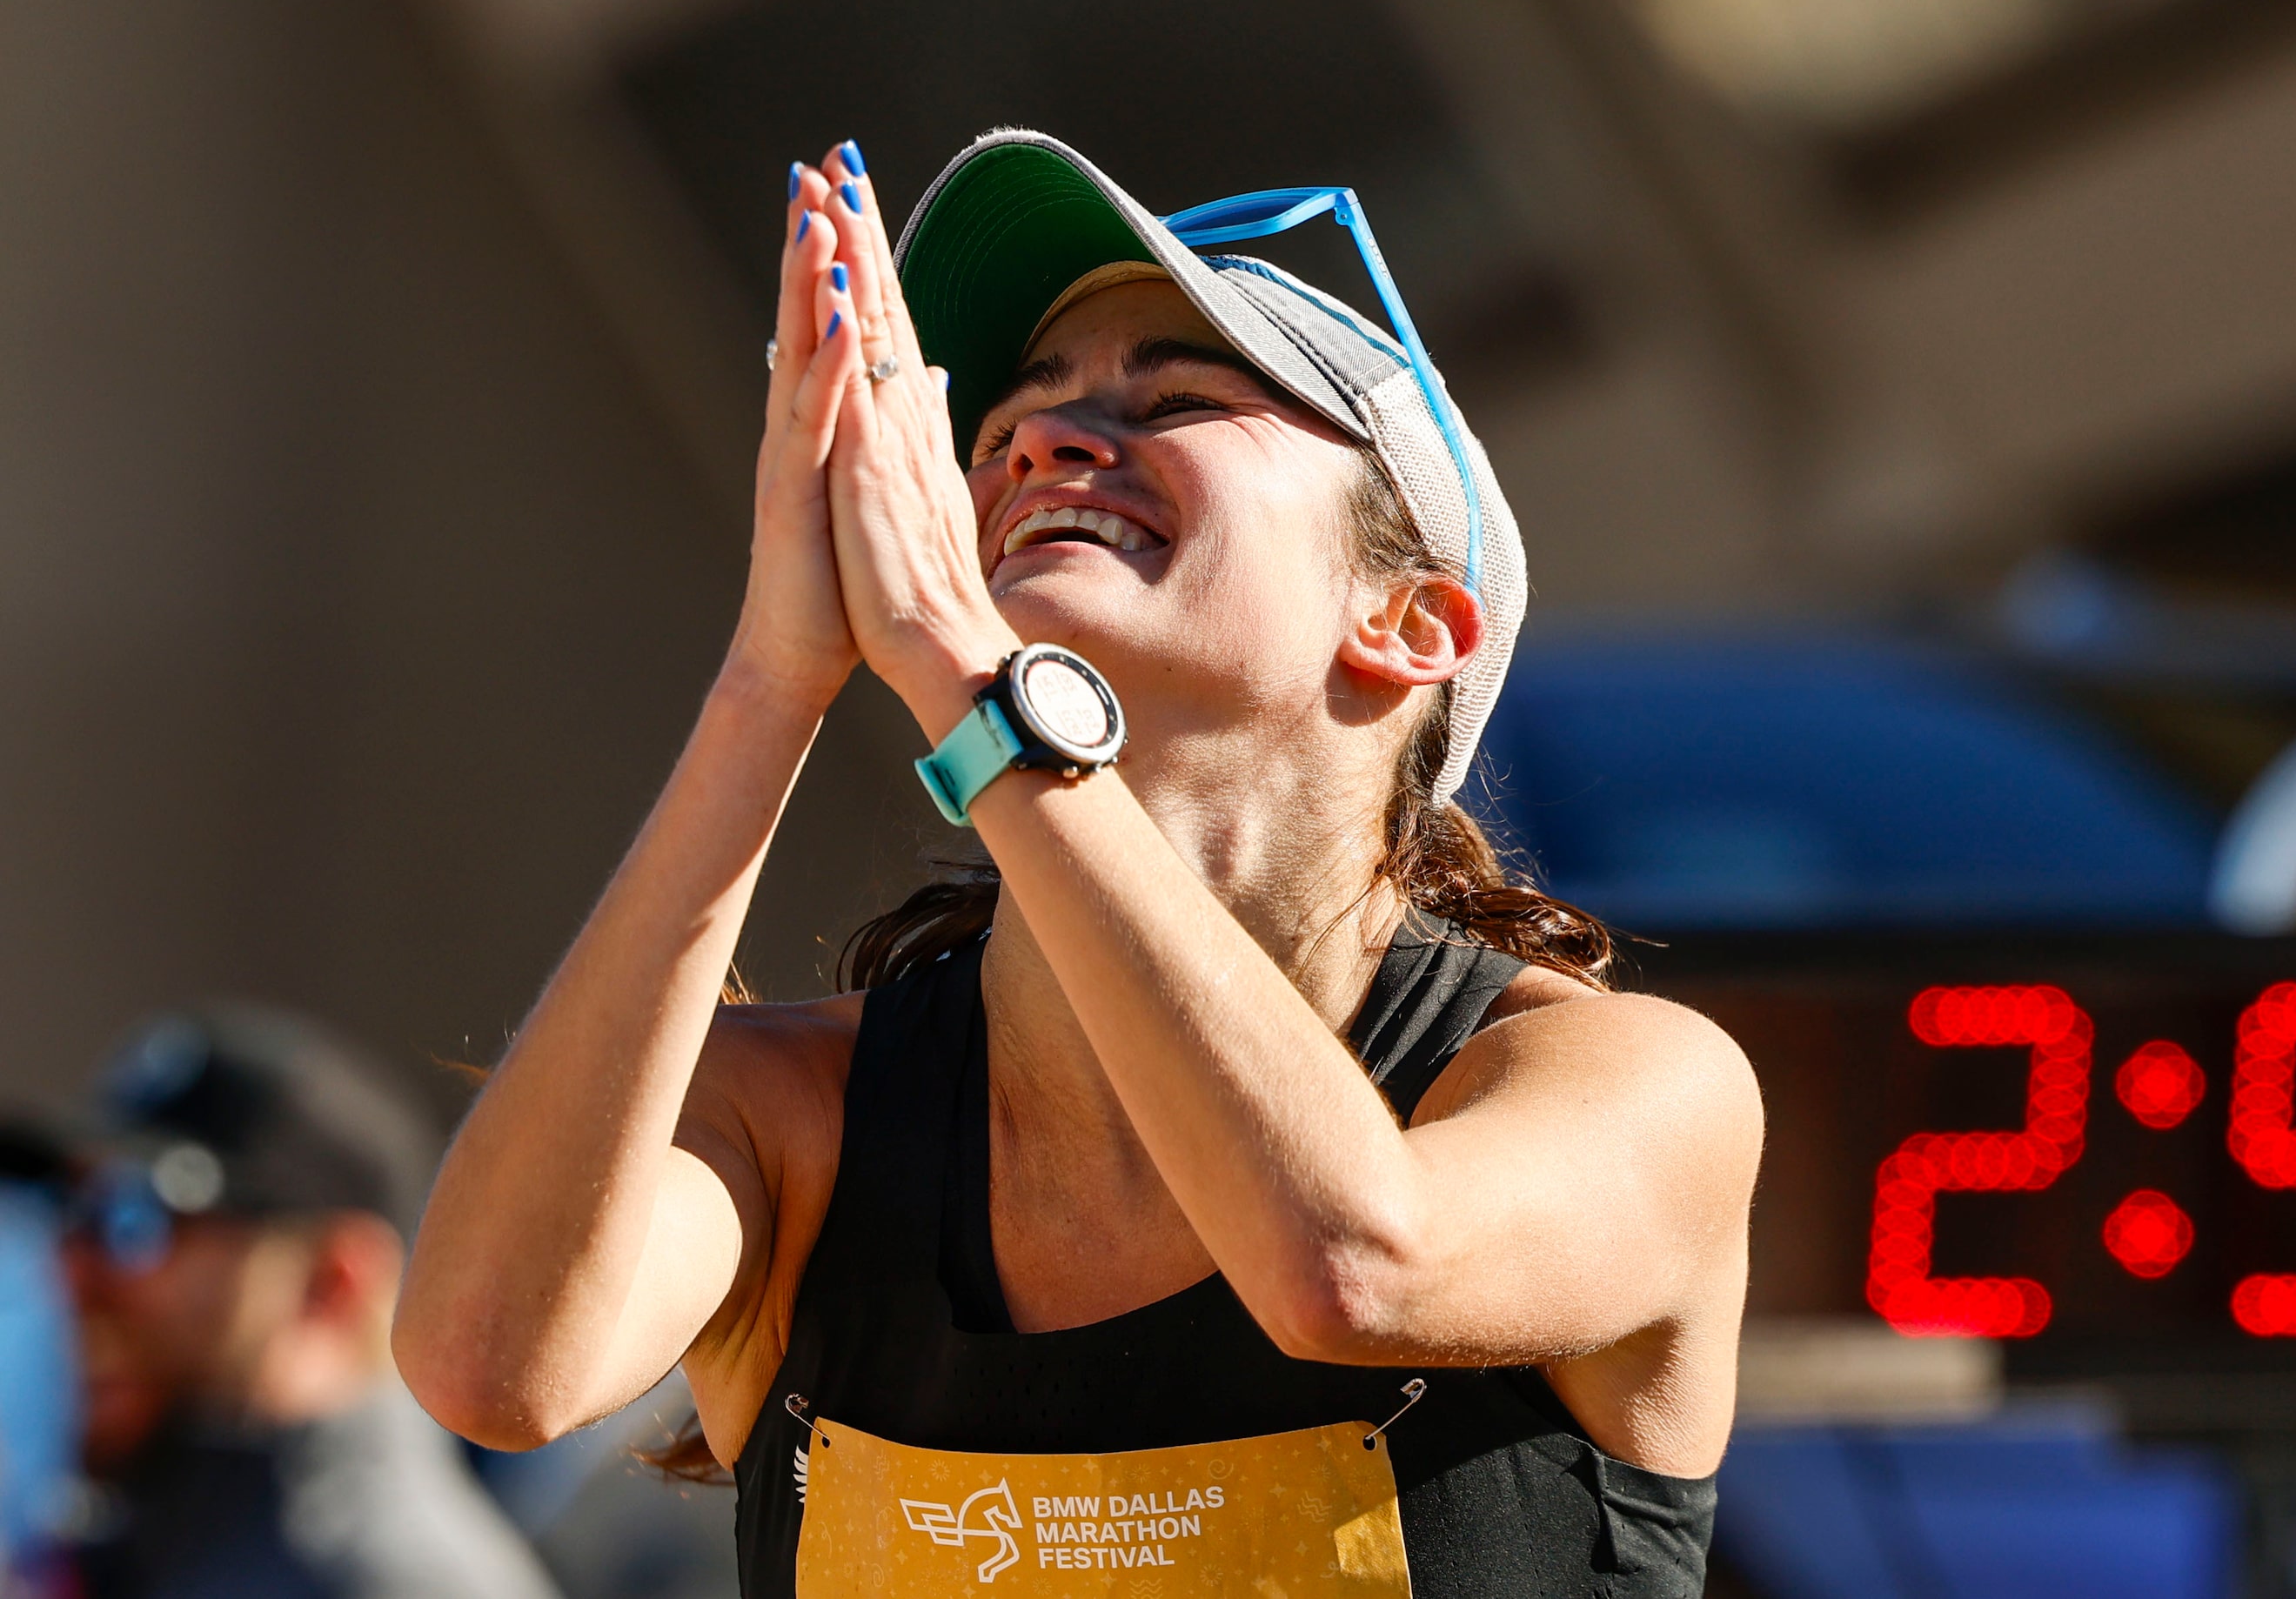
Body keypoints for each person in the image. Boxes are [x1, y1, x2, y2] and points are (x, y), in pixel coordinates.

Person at [397, 131, 1763, 1597]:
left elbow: (1350, 1264)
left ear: (1410, 624)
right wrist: (773, 674)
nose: (1040, 442)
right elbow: (491, 1365)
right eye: (1003, 429)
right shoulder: (800, 1121)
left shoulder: (1630, 1087)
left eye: (1173, 399)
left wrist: (970, 671)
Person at [57, 1005, 560, 1599]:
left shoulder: (398, 1578)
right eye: (70, 1210)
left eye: (135, 1219)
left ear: (331, 1283)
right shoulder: (150, 1526)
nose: (76, 1265)